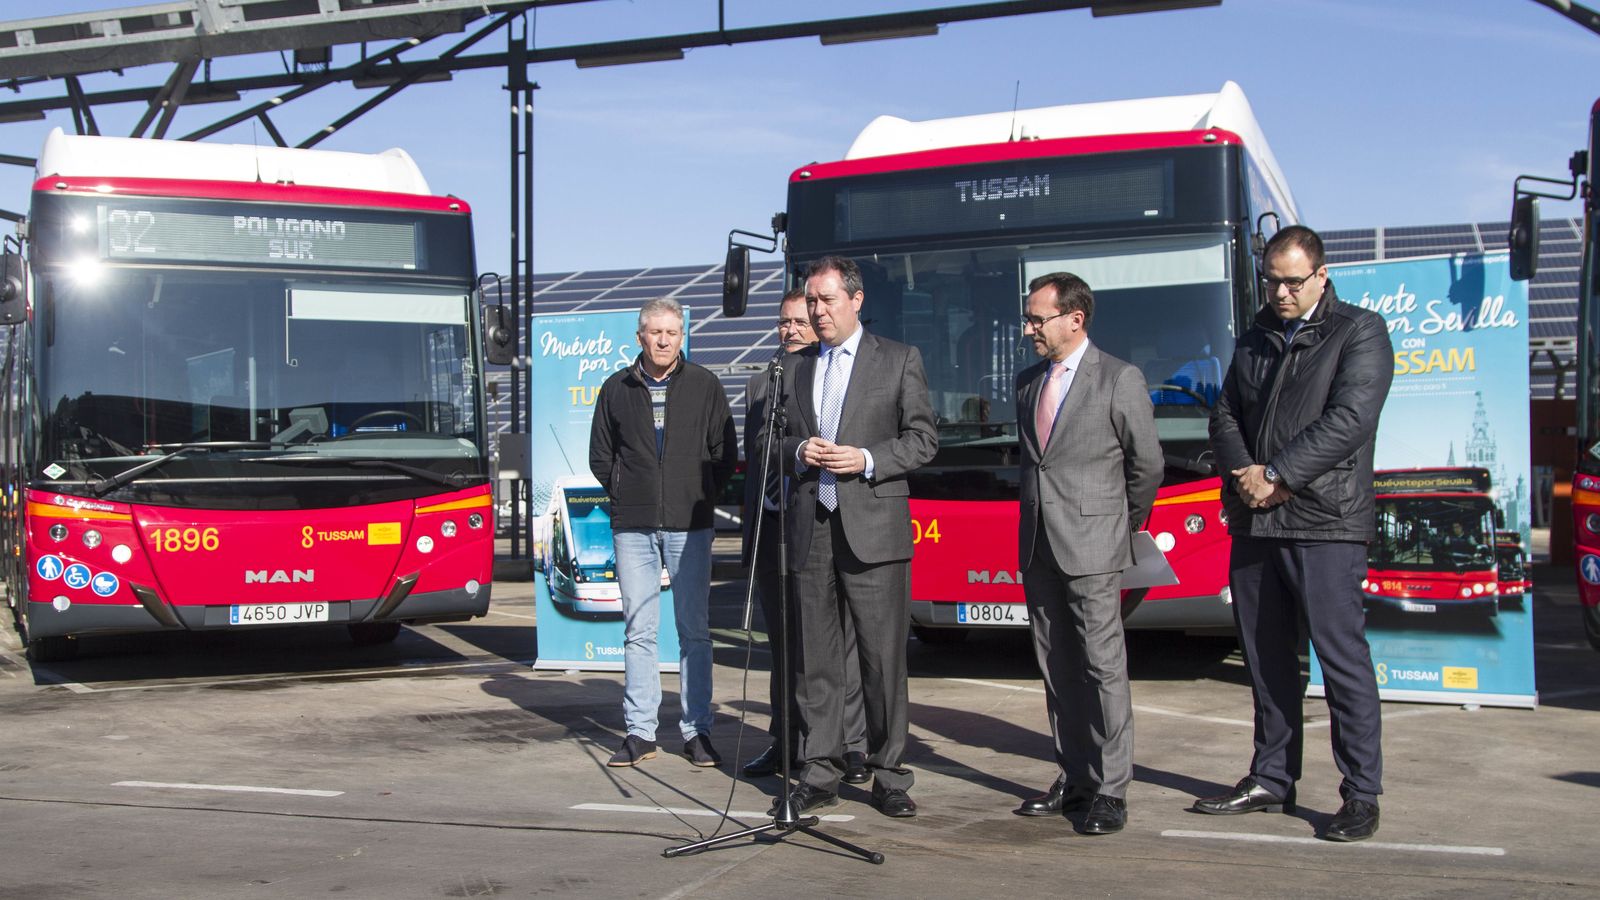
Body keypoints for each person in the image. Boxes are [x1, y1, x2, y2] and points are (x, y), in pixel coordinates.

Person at [1201, 225, 1394, 842]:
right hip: (1256, 521)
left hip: (1325, 523)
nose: (1280, 293)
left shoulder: (1358, 331)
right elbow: (1225, 414)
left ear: (1321, 275)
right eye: (1271, 281)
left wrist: (1278, 475)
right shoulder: (1256, 334)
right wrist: (1248, 476)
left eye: (1292, 282)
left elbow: (1350, 420)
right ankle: (1271, 777)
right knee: (1266, 662)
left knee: (1341, 662)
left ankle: (1360, 795)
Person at [773, 255, 937, 818]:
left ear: (856, 300)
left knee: (881, 660)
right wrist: (799, 450)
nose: (817, 311)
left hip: (873, 528)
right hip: (811, 528)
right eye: (811, 301)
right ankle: (819, 771)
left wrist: (866, 458)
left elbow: (923, 439)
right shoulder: (793, 368)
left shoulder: (898, 359)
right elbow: (769, 443)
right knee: (815, 662)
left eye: (827, 300)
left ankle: (889, 775)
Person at [1012, 272, 1162, 836]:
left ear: (1075, 319)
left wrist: (1120, 524)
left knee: (1102, 667)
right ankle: (1074, 777)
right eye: (1027, 318)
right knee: (1057, 666)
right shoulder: (1027, 382)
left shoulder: (1119, 378)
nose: (1029, 329)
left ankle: (1111, 788)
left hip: (1095, 545)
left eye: (1038, 319)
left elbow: (1146, 466)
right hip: (1038, 543)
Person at [589, 297, 737, 769]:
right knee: (639, 632)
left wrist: (697, 494)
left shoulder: (705, 385)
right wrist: (625, 492)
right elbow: (600, 455)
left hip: (689, 526)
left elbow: (724, 453)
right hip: (632, 527)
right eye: (655, 332)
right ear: (640, 337)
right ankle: (640, 732)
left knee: (694, 631)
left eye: (672, 332)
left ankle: (697, 732)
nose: (663, 340)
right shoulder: (616, 388)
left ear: (682, 336)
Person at [741, 289, 869, 784]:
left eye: (801, 321)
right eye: (784, 322)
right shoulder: (763, 382)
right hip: (773, 525)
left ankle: (849, 746)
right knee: (782, 644)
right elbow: (756, 455)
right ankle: (786, 739)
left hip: (821, 523)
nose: (791, 330)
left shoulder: (831, 377)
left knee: (836, 645)